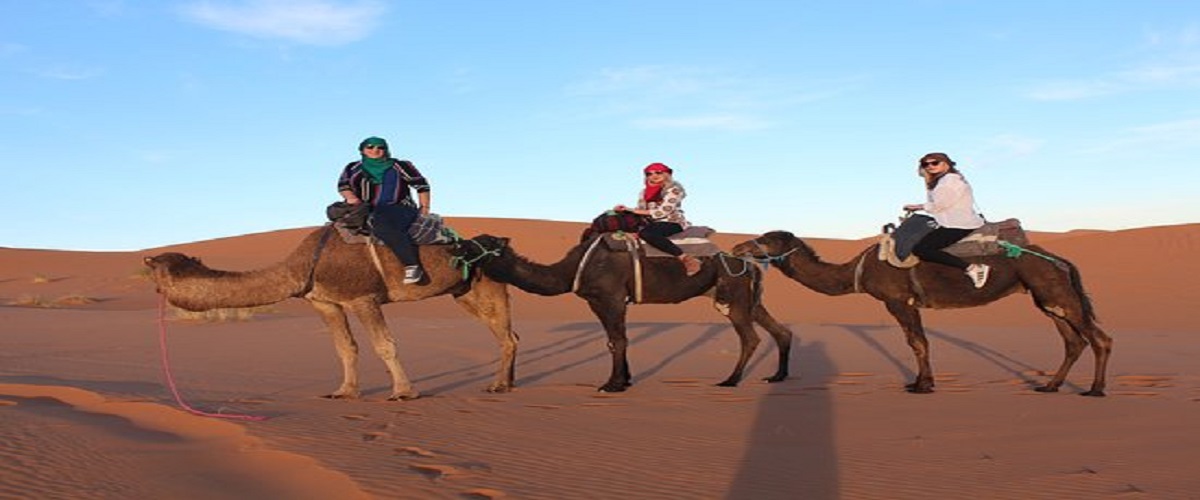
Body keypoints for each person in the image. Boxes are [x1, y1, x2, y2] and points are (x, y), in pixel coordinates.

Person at [337, 136, 431, 285]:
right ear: (362, 150)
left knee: (381, 226)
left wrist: (424, 208)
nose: (375, 150)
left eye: (380, 147)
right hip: (364, 208)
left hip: (398, 207)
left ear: (386, 150)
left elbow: (422, 186)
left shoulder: (400, 166)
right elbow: (343, 186)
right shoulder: (352, 168)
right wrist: (351, 198)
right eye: (370, 147)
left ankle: (412, 265)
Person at [902, 152, 990, 288]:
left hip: (957, 224)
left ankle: (972, 268)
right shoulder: (944, 180)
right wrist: (926, 178)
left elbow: (939, 205)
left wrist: (917, 207)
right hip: (950, 221)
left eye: (935, 163)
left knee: (922, 249)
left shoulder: (948, 182)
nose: (930, 166)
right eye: (926, 164)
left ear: (946, 164)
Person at [614, 162, 702, 276]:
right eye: (649, 174)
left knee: (648, 234)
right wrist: (625, 210)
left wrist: (633, 210)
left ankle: (686, 259)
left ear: (667, 174)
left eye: (658, 172)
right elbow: (641, 209)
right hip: (650, 222)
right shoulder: (644, 192)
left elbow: (663, 211)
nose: (653, 176)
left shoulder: (674, 190)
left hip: (671, 221)